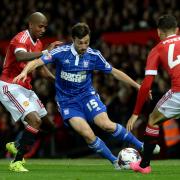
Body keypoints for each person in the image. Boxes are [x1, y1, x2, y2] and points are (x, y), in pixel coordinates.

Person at [13, 22, 157, 170]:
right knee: (87, 134)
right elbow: (37, 62)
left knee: (106, 125)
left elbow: (114, 72)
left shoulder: (93, 55)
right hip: (67, 102)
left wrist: (138, 86)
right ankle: (115, 162)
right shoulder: (60, 53)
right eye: (80, 43)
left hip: (87, 96)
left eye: (86, 42)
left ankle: (142, 145)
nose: (84, 46)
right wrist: (25, 72)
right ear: (73, 40)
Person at [0, 12, 61, 172]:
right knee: (35, 121)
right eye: (40, 26)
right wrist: (45, 52)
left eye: (45, 27)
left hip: (26, 88)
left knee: (49, 126)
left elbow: (40, 69)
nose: (43, 29)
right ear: (31, 25)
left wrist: (57, 80)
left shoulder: (39, 43)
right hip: (10, 85)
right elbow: (20, 56)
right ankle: (16, 162)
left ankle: (17, 145)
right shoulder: (21, 38)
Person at [126, 14, 180, 174]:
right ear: (177, 30)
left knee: (152, 119)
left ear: (158, 32)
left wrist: (135, 113)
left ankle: (144, 165)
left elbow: (146, 85)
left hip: (178, 92)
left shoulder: (157, 49)